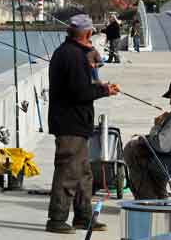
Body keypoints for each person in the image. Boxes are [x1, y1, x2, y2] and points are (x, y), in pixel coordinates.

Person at [46, 14, 120, 234]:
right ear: (88, 34)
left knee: (83, 173)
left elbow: (83, 84)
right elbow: (80, 92)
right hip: (70, 123)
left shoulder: (73, 52)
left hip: (77, 122)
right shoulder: (73, 56)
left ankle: (83, 217)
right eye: (91, 35)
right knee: (68, 171)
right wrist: (105, 90)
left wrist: (99, 84)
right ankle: (57, 219)